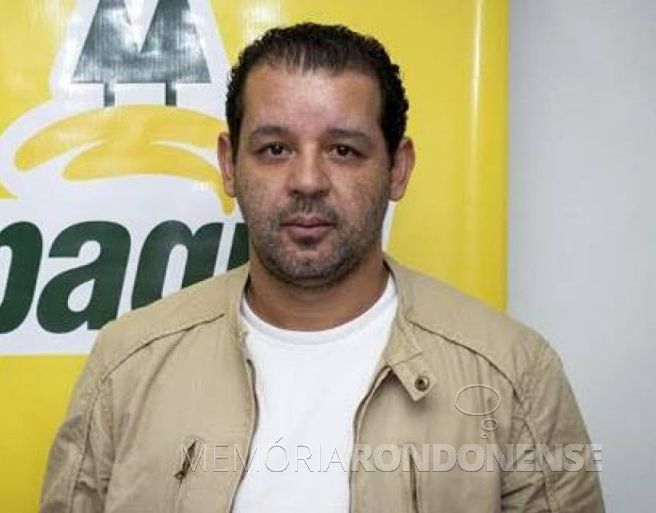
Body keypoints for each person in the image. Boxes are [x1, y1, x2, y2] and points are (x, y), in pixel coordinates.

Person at [40, 23, 604, 512]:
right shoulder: (126, 366)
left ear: (398, 168)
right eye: (275, 149)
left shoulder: (514, 375)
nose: (307, 181)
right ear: (229, 165)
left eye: (343, 150)